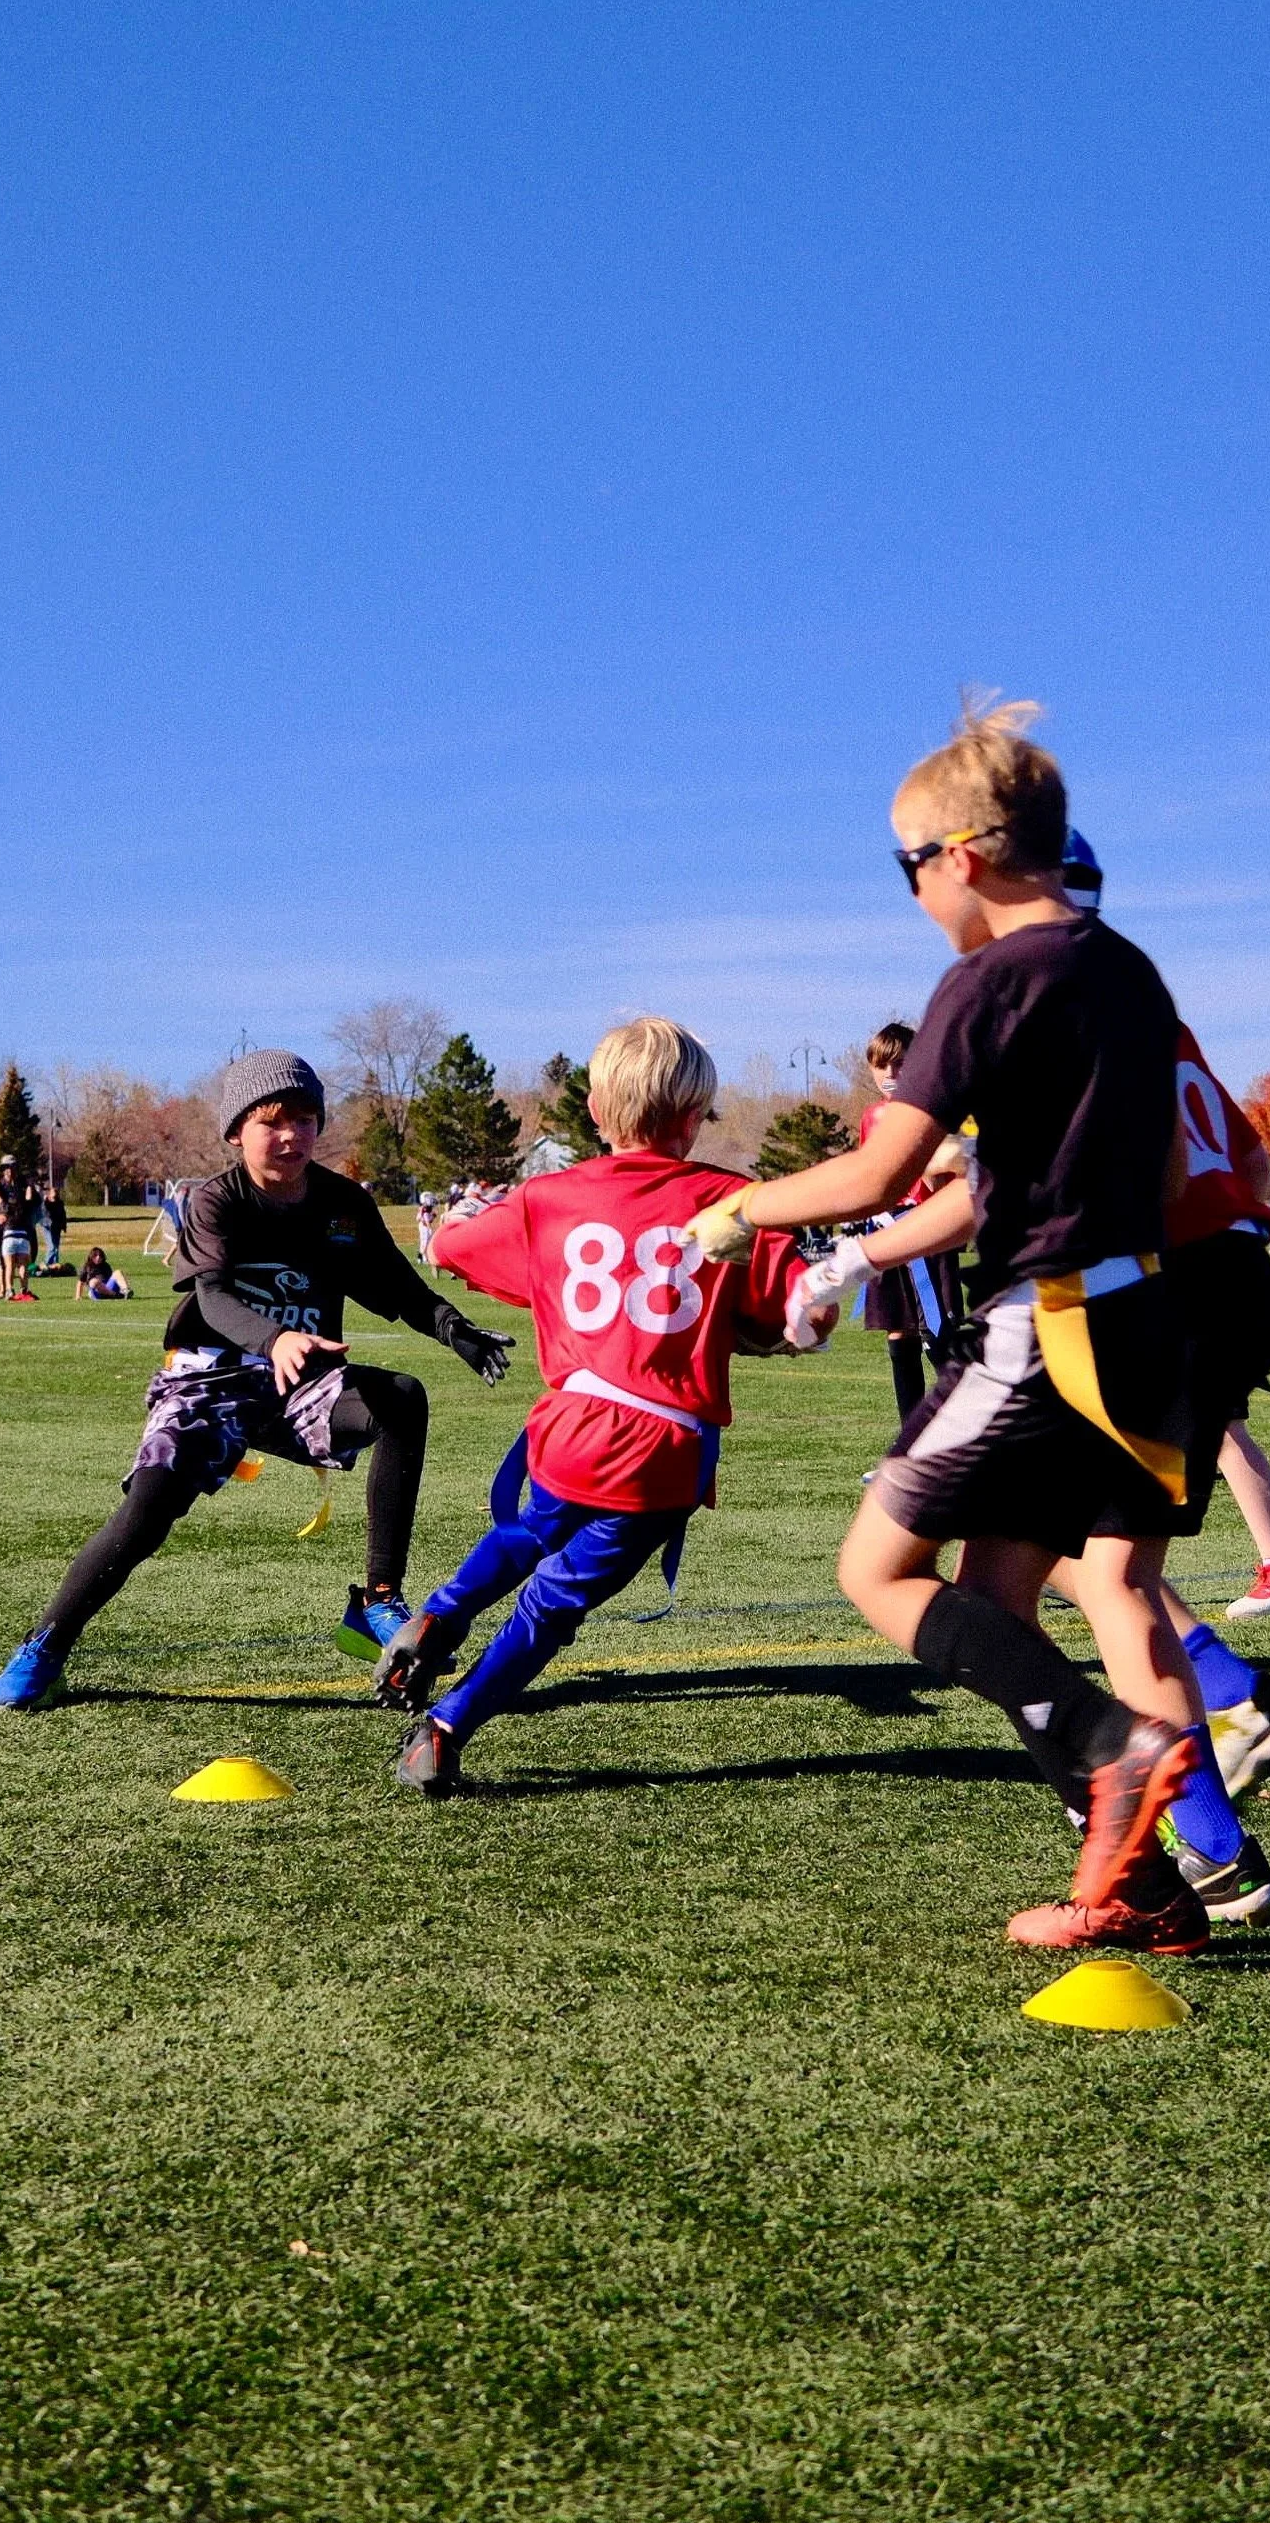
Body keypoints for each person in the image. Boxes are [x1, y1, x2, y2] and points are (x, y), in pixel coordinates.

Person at [689, 696, 1213, 1954]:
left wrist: (744, 1209)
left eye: (907, 865)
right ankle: (1150, 1889)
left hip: (1052, 1325)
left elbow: (882, 1172)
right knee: (999, 1594)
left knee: (874, 1570)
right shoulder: (1127, 967)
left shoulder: (984, 981)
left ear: (963, 856)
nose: (914, 891)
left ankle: (1114, 1754)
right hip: (1150, 1325)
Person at [379, 1017, 834, 1794]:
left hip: (570, 1423)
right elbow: (799, 1316)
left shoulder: (550, 1196)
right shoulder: (733, 1203)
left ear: (594, 1111)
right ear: (696, 1116)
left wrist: (455, 1222)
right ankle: (447, 1728)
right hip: (664, 1445)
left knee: (529, 1530)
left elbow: (453, 1251)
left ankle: (439, 1615)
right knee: (553, 1604)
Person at [0, 1050, 514, 1711]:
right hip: (206, 1379)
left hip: (299, 1387)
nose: (291, 1134)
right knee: (149, 1511)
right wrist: (276, 1337)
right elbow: (210, 1297)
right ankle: (46, 1646)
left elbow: (396, 1284)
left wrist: (454, 1329)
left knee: (400, 1399)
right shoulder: (215, 1201)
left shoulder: (343, 1204)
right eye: (272, 1121)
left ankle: (377, 1603)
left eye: (304, 1118)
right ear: (237, 1132)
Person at [857, 1021, 967, 1428]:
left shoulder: (936, 1111)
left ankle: (959, 1433)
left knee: (939, 1334)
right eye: (881, 1066)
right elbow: (866, 1177)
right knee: (898, 1333)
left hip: (927, 1233)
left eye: (900, 1065)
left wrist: (936, 1170)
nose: (890, 1075)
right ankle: (911, 1437)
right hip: (884, 1232)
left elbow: (954, 1172)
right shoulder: (871, 1117)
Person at [0, 1154, 37, 1301]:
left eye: (13, 1167)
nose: (10, 1170)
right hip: (4, 1228)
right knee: (4, 1264)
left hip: (20, 1227)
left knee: (21, 1262)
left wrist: (29, 1187)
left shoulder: (22, 1184)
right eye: (8, 1168)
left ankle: (20, 1290)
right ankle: (4, 1290)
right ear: (3, 1170)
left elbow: (31, 1202)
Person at [42, 1183, 68, 1272]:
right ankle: (46, 1264)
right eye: (53, 1191)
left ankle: (55, 1265)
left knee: (56, 1248)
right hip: (48, 1227)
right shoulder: (46, 1203)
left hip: (57, 1227)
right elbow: (45, 1213)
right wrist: (45, 1201)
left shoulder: (60, 1203)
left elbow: (63, 1214)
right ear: (50, 1193)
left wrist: (64, 1226)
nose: (55, 1193)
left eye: (56, 1191)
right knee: (51, 1246)